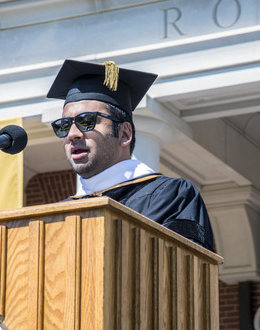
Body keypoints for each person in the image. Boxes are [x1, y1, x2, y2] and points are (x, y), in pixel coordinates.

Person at [46, 59, 215, 252]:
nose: (72, 134)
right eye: (64, 126)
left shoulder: (172, 197)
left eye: (86, 121)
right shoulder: (55, 216)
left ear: (125, 133)